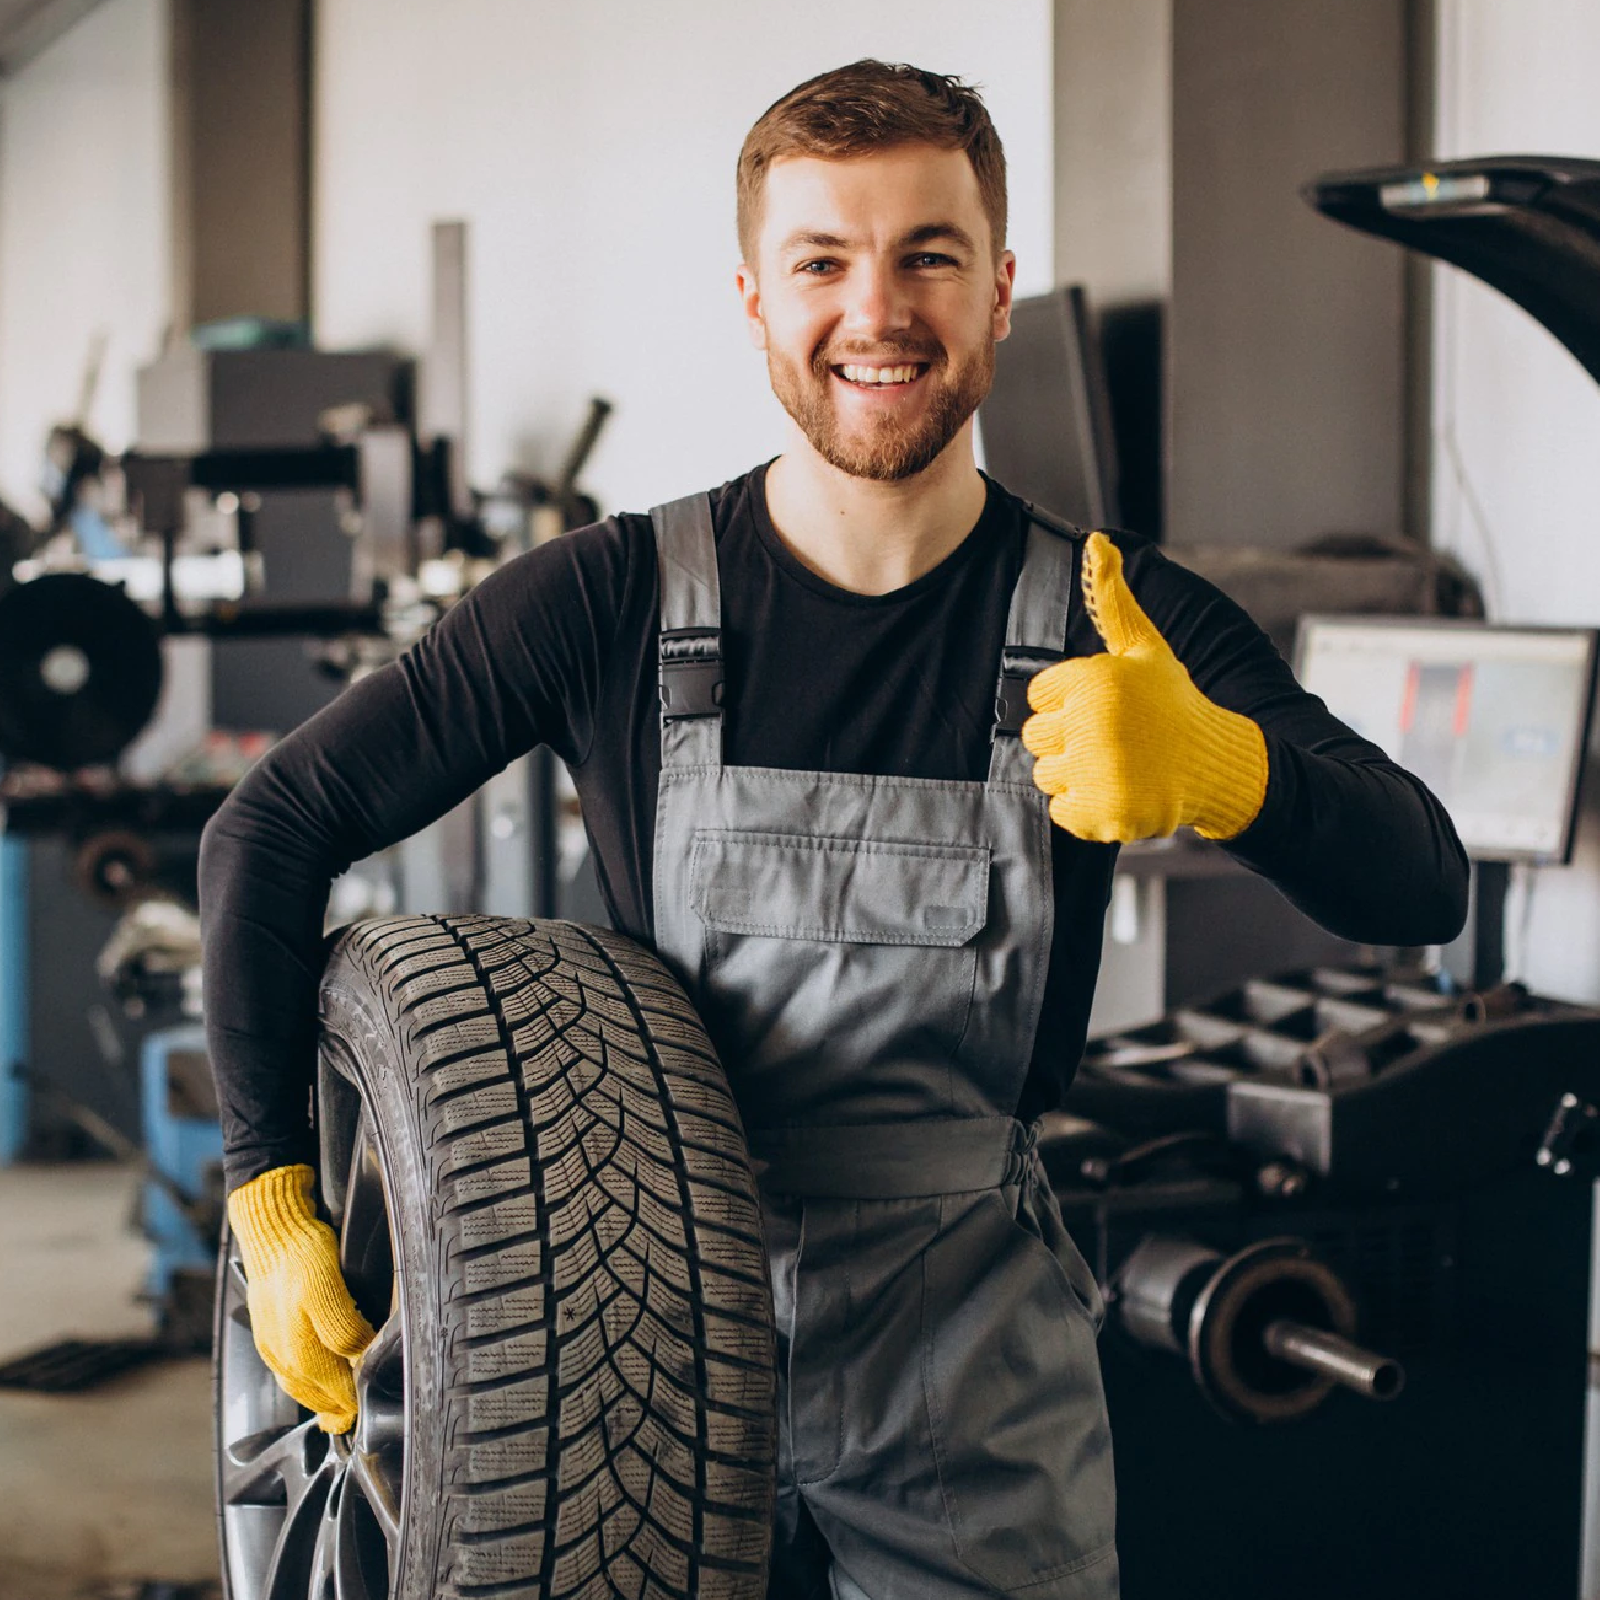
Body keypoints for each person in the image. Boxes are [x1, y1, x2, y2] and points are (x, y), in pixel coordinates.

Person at [200, 59, 1468, 1600]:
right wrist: (270, 1193)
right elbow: (270, 831)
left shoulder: (1117, 617)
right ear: (753, 299)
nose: (877, 313)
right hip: (623, 1356)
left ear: (1000, 292)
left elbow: (1420, 881)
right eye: (823, 262)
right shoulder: (607, 602)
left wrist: (1231, 773)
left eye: (928, 255)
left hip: (971, 1383)